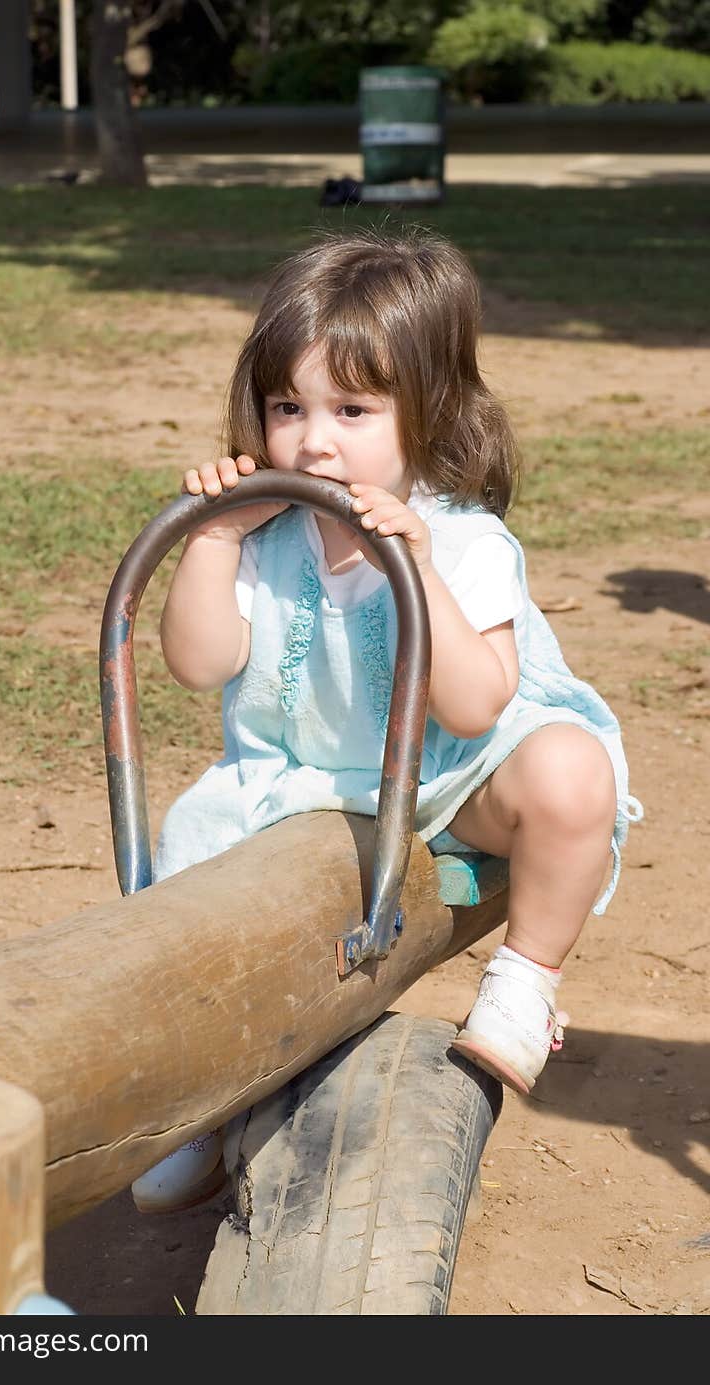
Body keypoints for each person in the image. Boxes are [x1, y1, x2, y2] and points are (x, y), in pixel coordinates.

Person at [130, 228, 643, 1213]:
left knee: (572, 774)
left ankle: (526, 979)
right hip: (304, 775)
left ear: (429, 413)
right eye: (289, 407)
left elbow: (473, 702)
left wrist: (411, 564)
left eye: (352, 410)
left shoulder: (461, 539)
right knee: (184, 881)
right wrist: (210, 541)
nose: (312, 441)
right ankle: (193, 1100)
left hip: (454, 771)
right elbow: (198, 663)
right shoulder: (269, 531)